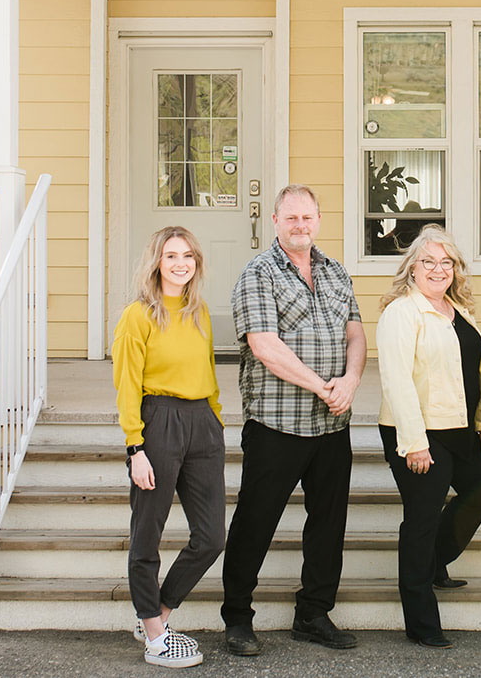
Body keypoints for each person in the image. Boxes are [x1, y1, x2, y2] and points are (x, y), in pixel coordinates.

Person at [220, 185, 366, 656]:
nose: (300, 225)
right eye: (291, 218)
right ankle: (238, 618)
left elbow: (356, 334)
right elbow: (264, 346)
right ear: (276, 222)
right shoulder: (257, 273)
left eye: (307, 217)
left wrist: (350, 381)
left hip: (331, 427)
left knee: (328, 523)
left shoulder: (337, 272)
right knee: (255, 521)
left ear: (318, 219)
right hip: (277, 425)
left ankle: (314, 613)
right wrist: (322, 386)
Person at [376, 225, 481, 648]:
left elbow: (475, 373)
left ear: (455, 269)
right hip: (418, 430)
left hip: (460, 428)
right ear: (412, 268)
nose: (437, 269)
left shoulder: (457, 309)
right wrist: (414, 442)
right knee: (422, 516)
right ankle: (421, 620)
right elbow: (396, 380)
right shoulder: (401, 312)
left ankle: (434, 561)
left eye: (445, 262)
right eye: (427, 261)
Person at [112, 226, 225, 669]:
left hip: (203, 424)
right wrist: (134, 447)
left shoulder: (200, 312)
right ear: (156, 261)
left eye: (188, 256)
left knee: (212, 536)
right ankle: (156, 635)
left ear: (196, 262)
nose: (180, 263)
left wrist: (215, 418)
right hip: (158, 422)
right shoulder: (138, 316)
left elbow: (209, 368)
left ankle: (157, 613)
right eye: (171, 255)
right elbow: (126, 385)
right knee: (147, 533)